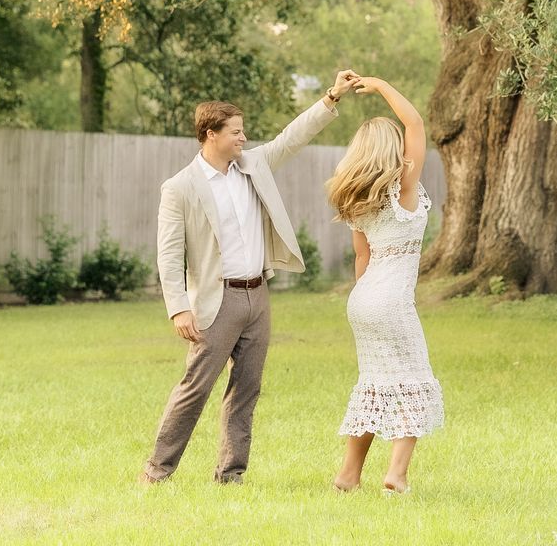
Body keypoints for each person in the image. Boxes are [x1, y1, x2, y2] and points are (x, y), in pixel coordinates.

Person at [141, 69, 363, 485]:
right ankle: (157, 472)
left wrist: (332, 95)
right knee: (196, 388)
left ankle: (231, 475)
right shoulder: (180, 188)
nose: (244, 139)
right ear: (211, 134)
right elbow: (169, 254)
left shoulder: (252, 165)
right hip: (215, 301)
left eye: (243, 132)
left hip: (256, 297)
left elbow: (290, 139)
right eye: (236, 132)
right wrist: (179, 308)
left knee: (246, 391)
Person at [325, 76, 443, 495]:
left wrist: (367, 302)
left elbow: (362, 258)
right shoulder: (403, 189)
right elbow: (415, 124)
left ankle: (348, 475)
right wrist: (381, 85)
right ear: (393, 151)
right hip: (391, 299)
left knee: (374, 383)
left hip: (363, 299)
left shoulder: (360, 198)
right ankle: (396, 475)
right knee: (413, 380)